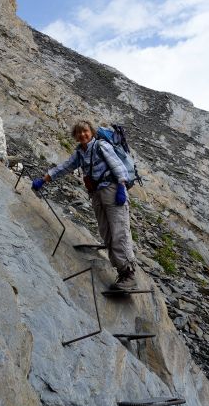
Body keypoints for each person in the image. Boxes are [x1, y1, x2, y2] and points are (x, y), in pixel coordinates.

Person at [32, 120, 137, 291]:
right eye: (79, 132)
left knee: (119, 231)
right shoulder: (80, 153)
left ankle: (129, 274)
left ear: (92, 132)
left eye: (85, 131)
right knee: (107, 233)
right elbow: (64, 167)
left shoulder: (101, 145)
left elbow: (118, 166)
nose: (83, 135)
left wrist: (121, 187)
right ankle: (121, 272)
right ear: (75, 136)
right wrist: (44, 180)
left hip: (112, 190)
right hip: (97, 194)